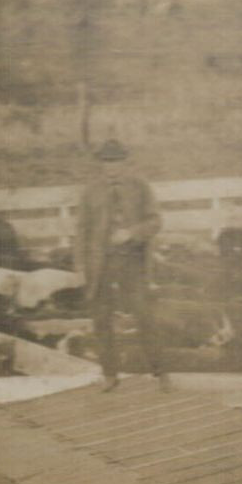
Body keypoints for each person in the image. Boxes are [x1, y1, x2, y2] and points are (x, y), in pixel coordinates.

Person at [73, 139, 164, 392]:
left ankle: (158, 371)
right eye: (106, 161)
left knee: (144, 315)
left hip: (132, 261)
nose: (111, 167)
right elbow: (81, 230)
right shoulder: (91, 192)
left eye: (115, 161)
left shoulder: (140, 187)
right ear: (101, 164)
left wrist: (132, 233)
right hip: (99, 265)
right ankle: (110, 374)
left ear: (125, 162)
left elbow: (155, 221)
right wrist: (80, 267)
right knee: (101, 319)